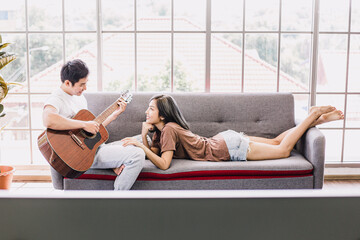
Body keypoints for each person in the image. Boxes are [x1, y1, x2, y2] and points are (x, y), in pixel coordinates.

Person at [121, 94, 344, 170]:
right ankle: (320, 119)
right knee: (276, 141)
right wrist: (144, 134)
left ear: (162, 115)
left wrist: (140, 145)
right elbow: (155, 151)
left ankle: (312, 115)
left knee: (284, 150)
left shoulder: (169, 129)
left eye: (151, 109)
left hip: (227, 147)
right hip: (225, 140)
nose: (146, 112)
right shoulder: (163, 130)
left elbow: (163, 163)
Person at [42, 59, 145, 190]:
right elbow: (48, 119)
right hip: (78, 156)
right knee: (138, 155)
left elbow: (90, 130)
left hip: (93, 148)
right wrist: (84, 124)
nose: (85, 88)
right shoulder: (56, 98)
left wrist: (114, 115)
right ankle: (118, 199)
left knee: (139, 140)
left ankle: (112, 163)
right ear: (67, 83)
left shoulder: (80, 98)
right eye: (82, 84)